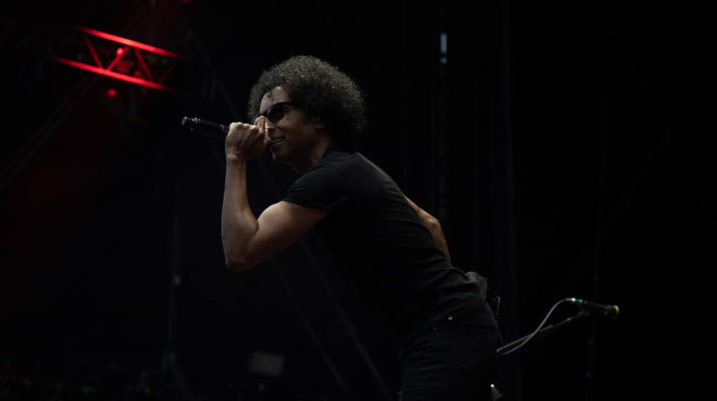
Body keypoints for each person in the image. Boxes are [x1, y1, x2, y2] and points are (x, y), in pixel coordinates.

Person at [221, 55, 500, 401]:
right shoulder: (350, 167)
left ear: (318, 116)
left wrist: (235, 158)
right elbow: (430, 224)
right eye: (259, 119)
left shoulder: (330, 177)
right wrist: (447, 307)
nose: (265, 128)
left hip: (446, 330)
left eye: (277, 113)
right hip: (453, 325)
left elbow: (241, 251)